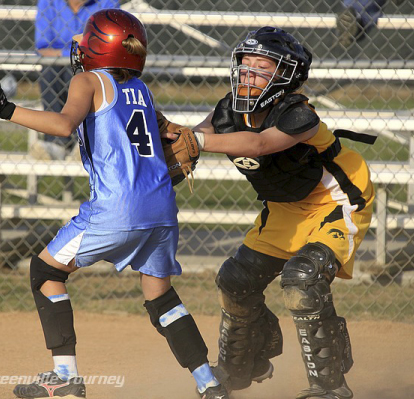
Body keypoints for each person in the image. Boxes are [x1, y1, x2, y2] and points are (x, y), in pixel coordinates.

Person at [0, 9, 228, 399]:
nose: (79, 45)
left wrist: (6, 110)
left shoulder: (87, 80)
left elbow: (63, 125)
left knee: (45, 271)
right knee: (161, 298)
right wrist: (210, 126)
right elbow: (172, 132)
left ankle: (65, 378)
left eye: (87, 38)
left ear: (99, 47)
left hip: (116, 209)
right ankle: (208, 383)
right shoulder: (141, 90)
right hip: (161, 208)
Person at [160, 27, 375, 399]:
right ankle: (240, 369)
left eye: (262, 66)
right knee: (235, 280)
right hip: (285, 208)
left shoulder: (297, 114)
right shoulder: (228, 109)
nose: (248, 72)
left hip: (335, 201)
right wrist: (172, 141)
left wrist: (200, 141)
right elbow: (195, 138)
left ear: (285, 76)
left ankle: (330, 387)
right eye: (245, 64)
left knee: (303, 279)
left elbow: (259, 144)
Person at [32, 0, 119, 160]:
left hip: (93, 66)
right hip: (59, 66)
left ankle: (87, 140)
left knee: (78, 71)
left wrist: (66, 55)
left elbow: (107, 45)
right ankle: (57, 143)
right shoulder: (48, 2)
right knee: (51, 69)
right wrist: (75, 55)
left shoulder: (107, 2)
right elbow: (43, 47)